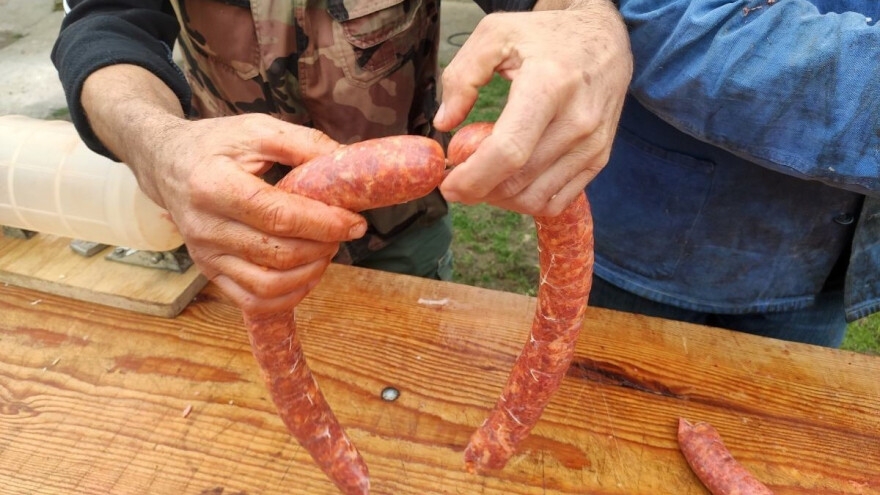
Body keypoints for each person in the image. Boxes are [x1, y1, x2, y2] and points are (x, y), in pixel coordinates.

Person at [52, 0, 632, 315]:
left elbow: (557, 6)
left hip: (403, 235)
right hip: (230, 235)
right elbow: (103, 24)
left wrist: (584, 21)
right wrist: (156, 143)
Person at [585, 0, 880, 347]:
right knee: (607, 388)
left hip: (825, 264)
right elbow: (656, 13)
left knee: (782, 400)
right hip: (652, 238)